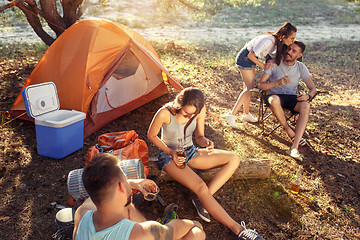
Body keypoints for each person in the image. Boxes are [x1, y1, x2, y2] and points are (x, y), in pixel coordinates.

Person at [148, 87, 265, 239]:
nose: (190, 117)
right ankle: (240, 231)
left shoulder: (200, 110)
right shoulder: (165, 112)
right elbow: (151, 135)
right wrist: (171, 152)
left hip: (190, 151)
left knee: (234, 158)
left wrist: (206, 142)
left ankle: (202, 200)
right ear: (178, 103)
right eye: (186, 113)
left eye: (193, 115)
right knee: (201, 186)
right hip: (170, 156)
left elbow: (199, 137)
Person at [73, 153, 206, 240]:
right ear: (120, 187)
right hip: (156, 233)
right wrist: (194, 223)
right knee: (196, 234)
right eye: (125, 179)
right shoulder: (143, 232)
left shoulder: (81, 214)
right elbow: (176, 228)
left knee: (127, 206)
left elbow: (96, 195)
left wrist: (133, 184)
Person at [225, 22, 297, 127]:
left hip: (251, 59)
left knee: (247, 87)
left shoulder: (278, 42)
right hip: (245, 58)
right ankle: (231, 115)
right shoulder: (268, 41)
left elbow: (267, 55)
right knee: (250, 89)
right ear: (283, 36)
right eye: (292, 39)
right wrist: (263, 66)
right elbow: (250, 55)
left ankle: (246, 114)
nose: (292, 41)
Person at [258, 41, 317, 161]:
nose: (289, 52)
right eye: (289, 49)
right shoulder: (273, 63)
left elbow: (313, 89)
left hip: (291, 97)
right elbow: (260, 85)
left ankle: (294, 148)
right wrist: (277, 83)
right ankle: (288, 130)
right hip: (275, 96)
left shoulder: (300, 67)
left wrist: (308, 96)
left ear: (299, 55)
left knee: (305, 105)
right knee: (273, 99)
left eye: (293, 51)